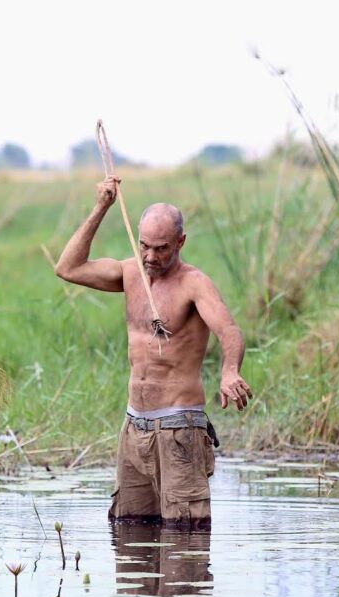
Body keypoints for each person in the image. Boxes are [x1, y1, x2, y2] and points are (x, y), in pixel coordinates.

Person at [54, 175, 252, 527]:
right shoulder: (130, 273)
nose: (150, 256)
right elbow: (67, 268)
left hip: (179, 427)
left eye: (161, 248)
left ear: (180, 242)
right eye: (144, 245)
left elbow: (229, 331)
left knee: (185, 534)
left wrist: (230, 371)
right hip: (134, 427)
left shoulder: (194, 284)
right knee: (129, 530)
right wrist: (101, 207)